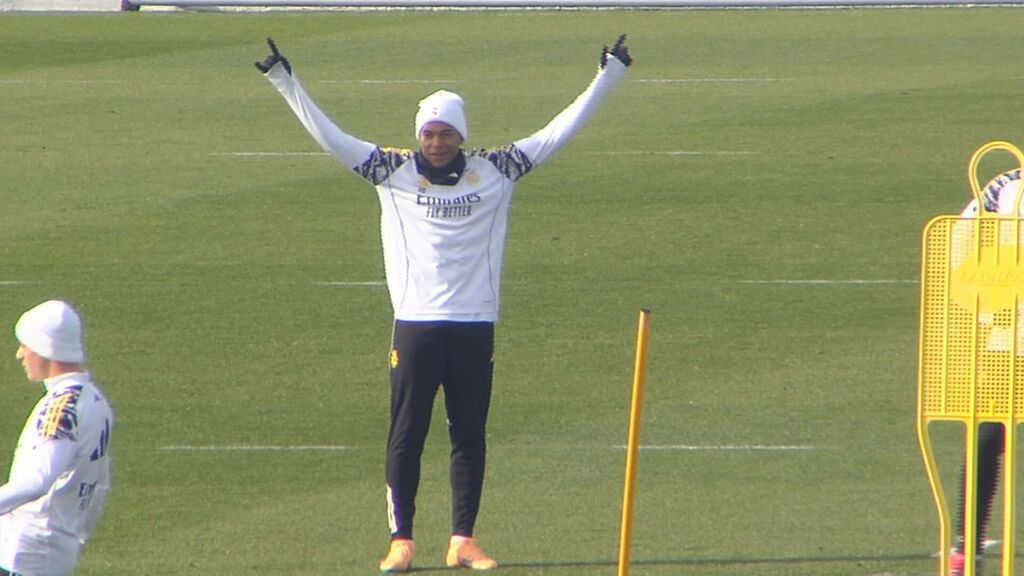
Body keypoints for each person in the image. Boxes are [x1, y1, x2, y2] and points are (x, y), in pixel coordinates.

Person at [255, 35, 632, 572]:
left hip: (475, 325)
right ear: (418, 136)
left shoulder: (498, 169)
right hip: (416, 325)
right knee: (406, 433)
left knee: (469, 432)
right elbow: (330, 136)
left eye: (447, 133)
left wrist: (608, 76)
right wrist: (283, 81)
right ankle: (401, 540)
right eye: (429, 133)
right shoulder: (390, 171)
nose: (436, 142)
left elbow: (559, 131)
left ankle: (462, 540)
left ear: (462, 135)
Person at [0, 300, 114, 576]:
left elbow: (38, 480)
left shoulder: (62, 408)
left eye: (26, 345)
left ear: (45, 348)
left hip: (23, 555)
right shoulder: (97, 402)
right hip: (53, 552)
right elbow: (101, 482)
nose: (20, 354)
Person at [949, 167, 1023, 576]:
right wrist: (984, 305)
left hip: (1006, 333)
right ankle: (966, 544)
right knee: (989, 430)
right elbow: (959, 239)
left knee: (990, 431)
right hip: (1009, 333)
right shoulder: (1008, 185)